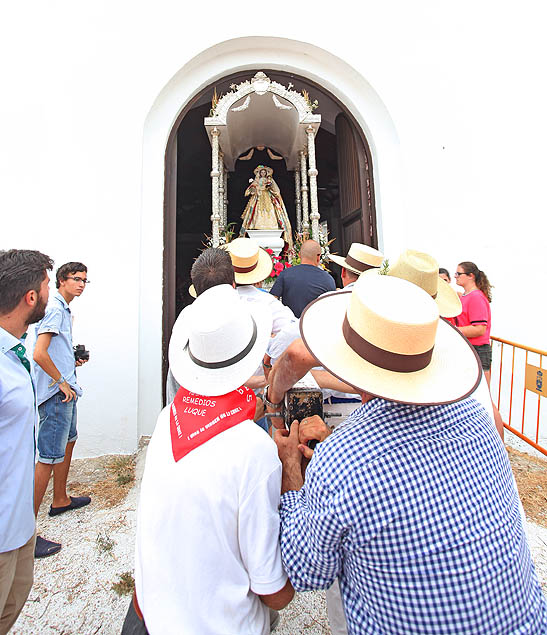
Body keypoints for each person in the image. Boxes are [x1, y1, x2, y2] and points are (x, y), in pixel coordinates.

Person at [271, 273, 547, 634]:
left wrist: (292, 471)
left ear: (350, 358)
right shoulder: (477, 419)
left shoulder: (343, 457)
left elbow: (307, 570)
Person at [128, 285, 294, 634]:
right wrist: (292, 480)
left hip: (151, 616)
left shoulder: (167, 419)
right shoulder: (253, 448)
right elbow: (275, 593)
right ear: (255, 357)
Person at [0, 249, 53, 632]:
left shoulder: (14, 350)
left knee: (14, 602)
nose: (48, 292)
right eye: (47, 284)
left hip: (19, 524)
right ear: (30, 297)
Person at [32, 262, 91, 558]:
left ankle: (60, 499)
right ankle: (24, 535)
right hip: (57, 394)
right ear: (61, 281)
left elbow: (53, 351)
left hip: (66, 390)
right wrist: (60, 381)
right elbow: (39, 353)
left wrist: (71, 361)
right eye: (76, 279)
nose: (81, 284)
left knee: (68, 441)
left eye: (84, 280)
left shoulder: (63, 308)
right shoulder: (55, 308)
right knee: (48, 456)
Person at [270, 239, 335, 317]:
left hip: (290, 325)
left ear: (299, 255)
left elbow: (271, 301)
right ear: (318, 257)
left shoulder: (286, 274)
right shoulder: (327, 279)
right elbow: (332, 308)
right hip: (315, 326)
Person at [454, 261, 493, 384]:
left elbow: (479, 329)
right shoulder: (467, 296)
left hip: (478, 351)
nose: (456, 276)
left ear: (471, 276)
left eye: (459, 274)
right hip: (470, 348)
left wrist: (454, 330)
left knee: (483, 395)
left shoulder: (476, 297)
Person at [240, 165, 293, 250]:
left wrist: (270, 185)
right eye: (262, 172)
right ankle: (257, 225)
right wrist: (253, 187)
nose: (263, 173)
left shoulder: (269, 180)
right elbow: (248, 192)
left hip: (267, 196)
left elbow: (277, 191)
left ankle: (271, 225)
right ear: (259, 173)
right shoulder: (256, 181)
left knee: (270, 210)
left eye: (264, 172)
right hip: (258, 197)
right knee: (257, 211)